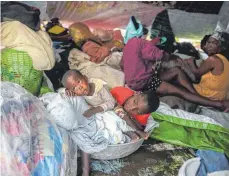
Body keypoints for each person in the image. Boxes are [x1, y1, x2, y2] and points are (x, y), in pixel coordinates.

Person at [121, 37, 229, 112]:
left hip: (143, 79)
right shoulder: (148, 47)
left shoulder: (133, 43)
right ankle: (218, 104)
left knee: (176, 70)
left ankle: (196, 96)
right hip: (146, 83)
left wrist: (138, 72)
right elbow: (162, 55)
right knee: (181, 93)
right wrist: (172, 57)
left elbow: (122, 64)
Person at [60, 69, 149, 139]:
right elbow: (63, 93)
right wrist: (67, 92)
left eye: (79, 82)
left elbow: (111, 102)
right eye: (74, 88)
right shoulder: (78, 93)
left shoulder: (99, 86)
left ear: (85, 77)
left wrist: (97, 109)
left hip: (112, 108)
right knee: (110, 125)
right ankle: (129, 134)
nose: (79, 87)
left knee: (124, 117)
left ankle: (137, 130)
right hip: (100, 113)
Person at [187, 31, 229, 101]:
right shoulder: (225, 60)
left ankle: (195, 96)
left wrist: (191, 62)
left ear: (222, 46)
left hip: (209, 95)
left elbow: (196, 74)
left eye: (214, 43)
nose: (209, 45)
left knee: (178, 74)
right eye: (209, 42)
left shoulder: (213, 59)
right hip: (220, 96)